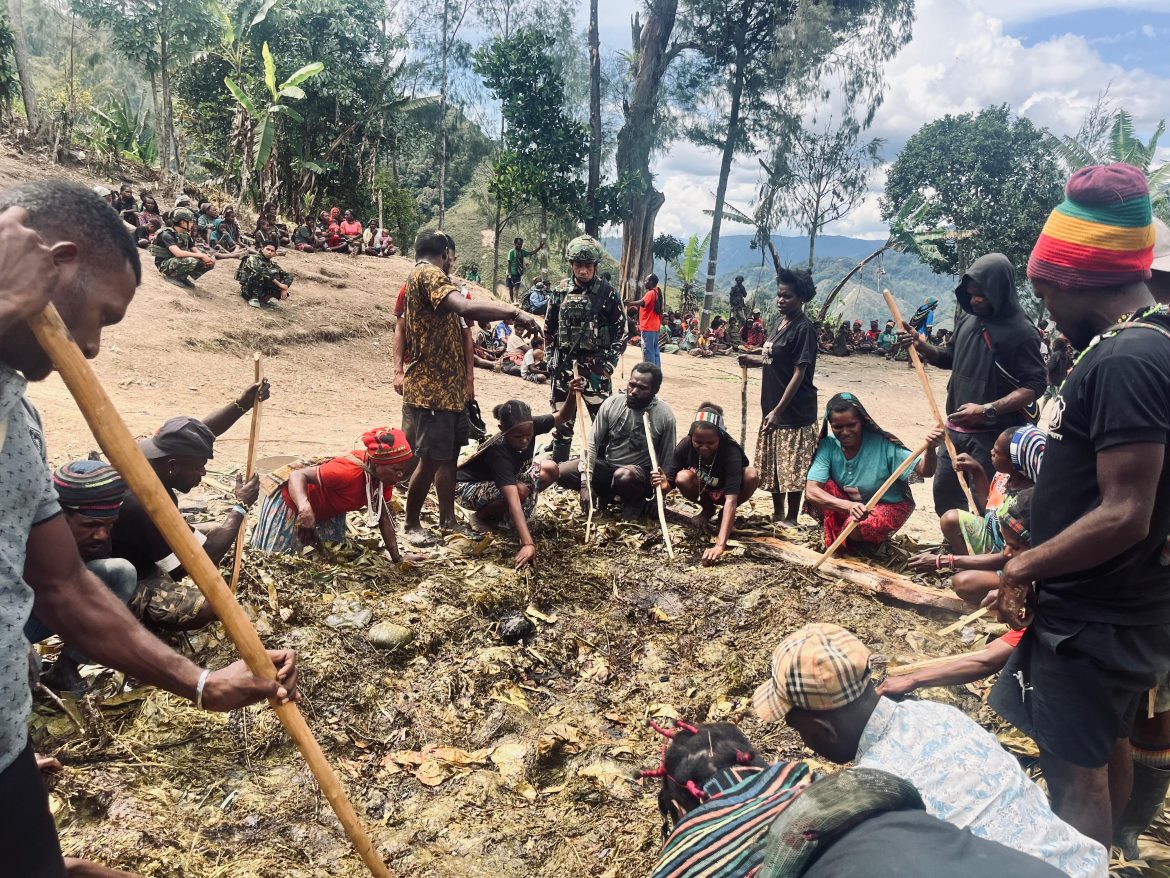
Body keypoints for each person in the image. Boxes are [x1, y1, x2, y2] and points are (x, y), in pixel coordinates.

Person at [0, 180, 298, 878]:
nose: (95, 347)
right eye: (100, 314)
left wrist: (202, 684)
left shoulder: (20, 417)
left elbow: (65, 586)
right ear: (54, 264)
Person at [987, 163, 1170, 848]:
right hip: (1108, 612)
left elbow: (1127, 510)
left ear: (1070, 280)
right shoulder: (1139, 349)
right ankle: (1108, 857)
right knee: (1104, 751)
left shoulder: (1129, 358)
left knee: (1074, 780)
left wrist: (1021, 567)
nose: (1046, 314)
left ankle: (1082, 861)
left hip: (1094, 620)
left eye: (1044, 294)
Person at [752, 623, 1108, 877]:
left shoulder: (875, 791)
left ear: (822, 730)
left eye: (798, 729)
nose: (803, 739)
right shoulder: (938, 714)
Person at [399, 229, 540, 546]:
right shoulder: (429, 274)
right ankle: (411, 524)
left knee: (448, 457)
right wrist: (515, 312)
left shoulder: (431, 279)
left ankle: (448, 521)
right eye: (453, 255)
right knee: (432, 459)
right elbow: (464, 308)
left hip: (449, 391)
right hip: (432, 390)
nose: (454, 261)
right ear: (446, 253)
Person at [110, 383, 268, 631]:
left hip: (136, 548)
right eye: (198, 467)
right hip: (122, 580)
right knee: (210, 607)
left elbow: (200, 436)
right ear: (173, 466)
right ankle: (137, 624)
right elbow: (201, 560)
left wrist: (243, 404)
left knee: (218, 530)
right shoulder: (147, 502)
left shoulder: (146, 458)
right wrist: (240, 506)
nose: (203, 473)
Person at [898, 254, 1046, 516]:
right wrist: (920, 345)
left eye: (983, 294)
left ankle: (989, 552)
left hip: (992, 437)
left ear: (1000, 291)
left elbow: (1035, 385)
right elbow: (949, 357)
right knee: (946, 495)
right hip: (954, 431)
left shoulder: (1022, 331)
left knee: (989, 502)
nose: (975, 300)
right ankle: (954, 548)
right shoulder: (968, 319)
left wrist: (987, 409)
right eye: (972, 293)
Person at [23, 460, 138, 693]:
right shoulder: (21, 538)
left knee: (120, 573)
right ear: (59, 517)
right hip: (10, 621)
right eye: (92, 525)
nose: (102, 535)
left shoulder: (97, 540)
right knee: (22, 670)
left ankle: (65, 670)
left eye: (109, 525)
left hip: (42, 610)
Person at [456, 383, 582, 568]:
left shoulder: (529, 425)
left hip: (504, 481)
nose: (524, 441)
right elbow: (514, 498)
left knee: (551, 468)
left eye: (528, 436)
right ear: (502, 429)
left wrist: (571, 394)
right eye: (517, 437)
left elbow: (563, 416)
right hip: (466, 487)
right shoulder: (499, 452)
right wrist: (528, 543)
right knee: (520, 491)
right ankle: (481, 517)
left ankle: (501, 516)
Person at [805, 393, 943, 551]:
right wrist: (848, 506)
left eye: (851, 425)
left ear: (862, 422)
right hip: (851, 505)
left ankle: (864, 545)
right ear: (830, 425)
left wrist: (931, 449)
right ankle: (839, 539)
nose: (845, 432)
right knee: (823, 487)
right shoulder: (828, 445)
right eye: (838, 427)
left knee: (854, 525)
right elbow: (811, 491)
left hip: (889, 505)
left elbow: (925, 471)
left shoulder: (884, 445)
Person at [251, 427, 412, 560]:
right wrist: (305, 508)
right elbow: (297, 475)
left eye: (403, 471)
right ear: (378, 463)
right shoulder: (348, 472)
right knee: (275, 559)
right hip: (293, 505)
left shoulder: (383, 479)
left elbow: (384, 517)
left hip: (329, 510)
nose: (400, 476)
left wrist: (397, 558)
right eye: (396, 470)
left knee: (327, 557)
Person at [909, 425, 1042, 579]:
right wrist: (977, 471)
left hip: (1014, 562)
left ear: (1016, 462)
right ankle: (975, 569)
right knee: (950, 519)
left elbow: (1010, 554)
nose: (991, 452)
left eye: (997, 452)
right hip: (997, 544)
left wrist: (946, 561)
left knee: (963, 583)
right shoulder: (1004, 477)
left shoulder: (1028, 499)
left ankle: (981, 575)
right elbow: (989, 507)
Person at [739, 269, 819, 523]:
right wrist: (752, 360)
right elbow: (773, 359)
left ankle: (792, 517)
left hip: (793, 409)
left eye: (788, 296)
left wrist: (779, 410)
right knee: (774, 462)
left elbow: (799, 371)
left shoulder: (804, 329)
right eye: (779, 295)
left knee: (792, 465)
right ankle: (777, 514)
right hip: (771, 404)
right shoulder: (780, 322)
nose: (781, 300)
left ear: (801, 298)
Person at [556, 362, 676, 520]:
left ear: (655, 390)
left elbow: (668, 459)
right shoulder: (612, 403)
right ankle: (605, 493)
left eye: (642, 388)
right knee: (561, 472)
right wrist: (586, 484)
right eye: (631, 385)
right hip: (609, 467)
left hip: (636, 476)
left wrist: (659, 497)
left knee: (624, 476)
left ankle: (635, 501)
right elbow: (592, 443)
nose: (633, 392)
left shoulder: (664, 416)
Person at [545, 235, 627, 462]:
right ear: (571, 264)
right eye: (578, 265)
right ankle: (559, 471)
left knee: (602, 426)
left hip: (596, 370)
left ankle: (599, 472)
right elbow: (549, 329)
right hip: (564, 367)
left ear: (595, 266)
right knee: (562, 423)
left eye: (588, 266)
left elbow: (622, 331)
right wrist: (551, 357)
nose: (583, 271)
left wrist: (608, 365)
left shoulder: (607, 293)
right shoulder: (560, 291)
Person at [652, 403, 759, 565]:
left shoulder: (731, 451)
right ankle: (708, 509)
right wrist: (662, 484)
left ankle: (724, 515)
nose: (703, 447)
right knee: (682, 477)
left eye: (710, 443)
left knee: (752, 474)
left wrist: (719, 545)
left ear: (720, 438)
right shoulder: (685, 445)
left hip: (727, 494)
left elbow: (731, 499)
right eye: (698, 442)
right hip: (704, 492)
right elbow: (671, 484)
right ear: (691, 437)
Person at [149, 207, 215, 289]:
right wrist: (202, 256)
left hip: (176, 261)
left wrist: (206, 257)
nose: (192, 224)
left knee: (209, 258)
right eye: (190, 221)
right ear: (183, 222)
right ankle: (172, 276)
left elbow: (195, 250)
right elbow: (178, 253)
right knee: (192, 260)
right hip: (164, 264)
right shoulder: (167, 234)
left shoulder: (185, 234)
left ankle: (182, 277)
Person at [236, 242, 292, 308]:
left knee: (277, 274)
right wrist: (279, 284)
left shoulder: (272, 264)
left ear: (274, 253)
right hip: (248, 290)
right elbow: (260, 271)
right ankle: (254, 297)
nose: (269, 252)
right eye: (268, 249)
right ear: (262, 249)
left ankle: (265, 299)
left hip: (262, 290)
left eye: (272, 251)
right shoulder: (253, 258)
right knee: (259, 274)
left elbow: (288, 275)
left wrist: (284, 287)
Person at [626, 273, 664, 367]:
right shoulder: (657, 292)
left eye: (646, 280)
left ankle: (649, 369)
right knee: (654, 349)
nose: (645, 282)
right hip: (655, 326)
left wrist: (629, 303)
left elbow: (642, 302)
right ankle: (656, 368)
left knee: (648, 349)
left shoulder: (651, 293)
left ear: (651, 282)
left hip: (648, 326)